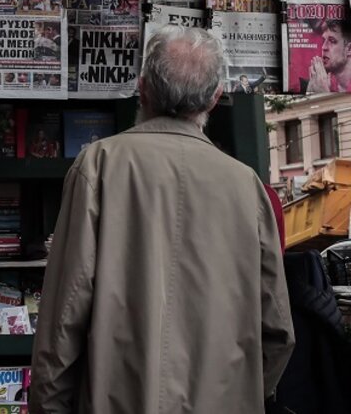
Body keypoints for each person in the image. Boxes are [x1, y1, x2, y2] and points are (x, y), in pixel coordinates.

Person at [29, 26, 294, 412]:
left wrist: (49, 406)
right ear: (215, 98)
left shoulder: (100, 165)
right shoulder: (247, 186)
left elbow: (65, 314)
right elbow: (279, 329)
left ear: (142, 89)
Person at [306, 18, 351, 93]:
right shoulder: (319, 83)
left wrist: (323, 94)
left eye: (332, 41)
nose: (324, 47)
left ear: (349, 49)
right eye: (324, 40)